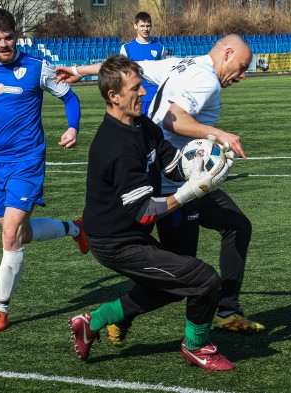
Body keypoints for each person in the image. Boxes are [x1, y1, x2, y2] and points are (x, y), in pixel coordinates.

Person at [55, 34, 264, 339]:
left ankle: (225, 311)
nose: (242, 75)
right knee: (185, 274)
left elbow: (130, 68)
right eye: (242, 66)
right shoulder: (205, 79)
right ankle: (204, 326)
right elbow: (172, 119)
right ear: (228, 53)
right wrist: (217, 134)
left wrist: (80, 69)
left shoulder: (182, 64)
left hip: (170, 169)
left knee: (222, 238)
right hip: (169, 182)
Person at [67, 55, 235, 371]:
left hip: (130, 234)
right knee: (205, 281)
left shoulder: (142, 125)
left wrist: (202, 162)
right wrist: (192, 191)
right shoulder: (116, 146)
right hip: (115, 243)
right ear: (113, 96)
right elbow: (145, 212)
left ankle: (94, 322)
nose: (144, 93)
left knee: (177, 284)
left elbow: (171, 163)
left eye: (142, 85)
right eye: (135, 88)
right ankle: (197, 347)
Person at [0, 8, 87, 333]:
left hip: (27, 162)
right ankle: (75, 229)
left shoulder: (35, 67)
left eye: (9, 38)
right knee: (20, 233)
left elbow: (70, 98)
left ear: (17, 35)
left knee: (10, 233)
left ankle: (0, 310)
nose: (4, 45)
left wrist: (73, 128)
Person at [120, 11, 165, 116]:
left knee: (156, 131)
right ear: (135, 26)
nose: (145, 29)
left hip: (155, 97)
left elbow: (162, 72)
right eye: (142, 26)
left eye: (148, 26)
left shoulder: (160, 48)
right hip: (136, 97)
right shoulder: (126, 48)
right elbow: (122, 75)